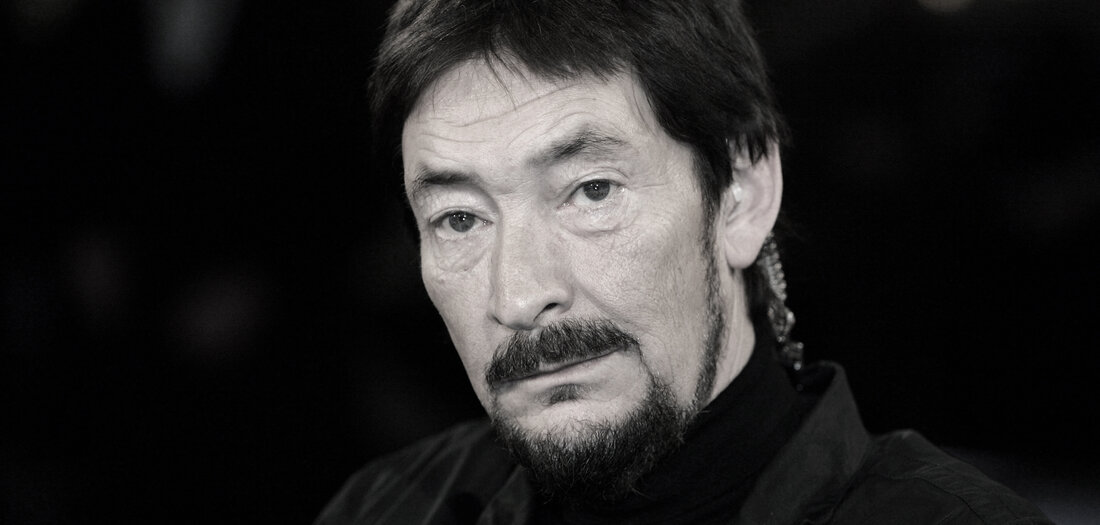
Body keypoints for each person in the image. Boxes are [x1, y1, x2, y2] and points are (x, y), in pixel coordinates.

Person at [317, 0, 1052, 523]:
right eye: (460, 219)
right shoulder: (382, 507)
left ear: (741, 196)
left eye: (591, 190)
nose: (517, 295)